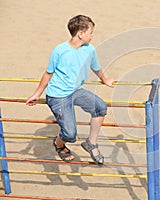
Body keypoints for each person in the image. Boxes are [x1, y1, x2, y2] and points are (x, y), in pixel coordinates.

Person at [26, 15, 114, 166]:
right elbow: (48, 73)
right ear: (80, 34)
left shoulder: (89, 49)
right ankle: (59, 144)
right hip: (58, 95)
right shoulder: (60, 51)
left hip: (76, 91)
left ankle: (91, 143)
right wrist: (37, 94)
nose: (92, 36)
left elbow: (96, 67)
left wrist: (105, 80)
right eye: (90, 32)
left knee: (100, 108)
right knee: (70, 134)